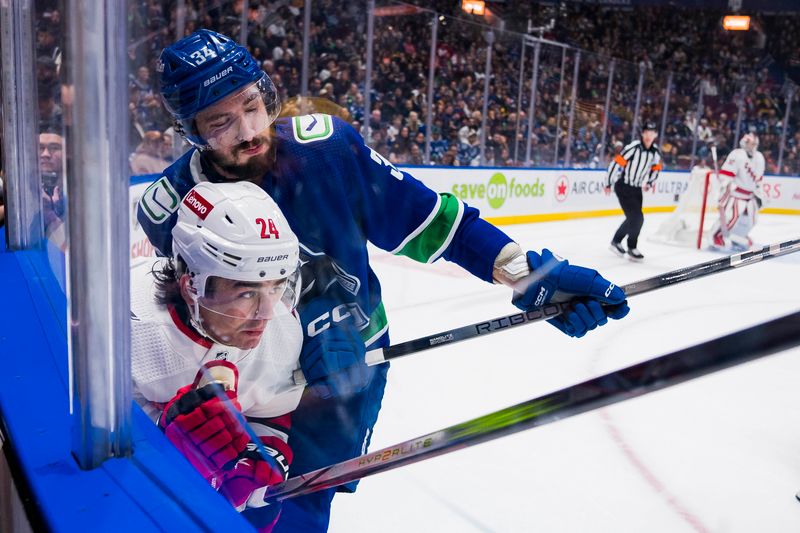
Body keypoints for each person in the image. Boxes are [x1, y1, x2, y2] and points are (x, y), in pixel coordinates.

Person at [137, 29, 630, 532]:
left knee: (300, 516)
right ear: (192, 131)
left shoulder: (326, 151)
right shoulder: (170, 207)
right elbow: (191, 319)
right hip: (249, 390)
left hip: (346, 375)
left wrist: (530, 275)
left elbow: (434, 221)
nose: (247, 130)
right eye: (220, 121)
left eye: (251, 105)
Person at [131, 181, 304, 532]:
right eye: (245, 293)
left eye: (277, 286)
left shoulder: (283, 333)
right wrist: (159, 447)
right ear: (190, 283)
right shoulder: (127, 324)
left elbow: (271, 412)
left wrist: (263, 455)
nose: (266, 314)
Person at [605, 120, 662, 261]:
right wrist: (608, 183)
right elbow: (616, 163)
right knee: (638, 218)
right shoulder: (634, 148)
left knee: (633, 218)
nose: (649, 136)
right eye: (646, 132)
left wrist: (650, 182)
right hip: (624, 186)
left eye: (652, 133)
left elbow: (656, 169)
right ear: (642, 134)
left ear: (655, 135)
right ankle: (632, 247)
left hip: (637, 189)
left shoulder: (654, 152)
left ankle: (616, 241)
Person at [709, 132, 765, 251]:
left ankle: (738, 237)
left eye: (755, 144)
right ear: (744, 143)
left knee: (752, 221)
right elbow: (726, 175)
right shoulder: (737, 154)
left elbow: (758, 179)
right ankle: (716, 236)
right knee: (731, 218)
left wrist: (760, 194)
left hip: (750, 196)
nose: (753, 146)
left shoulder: (759, 157)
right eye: (751, 143)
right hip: (736, 194)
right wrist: (723, 187)